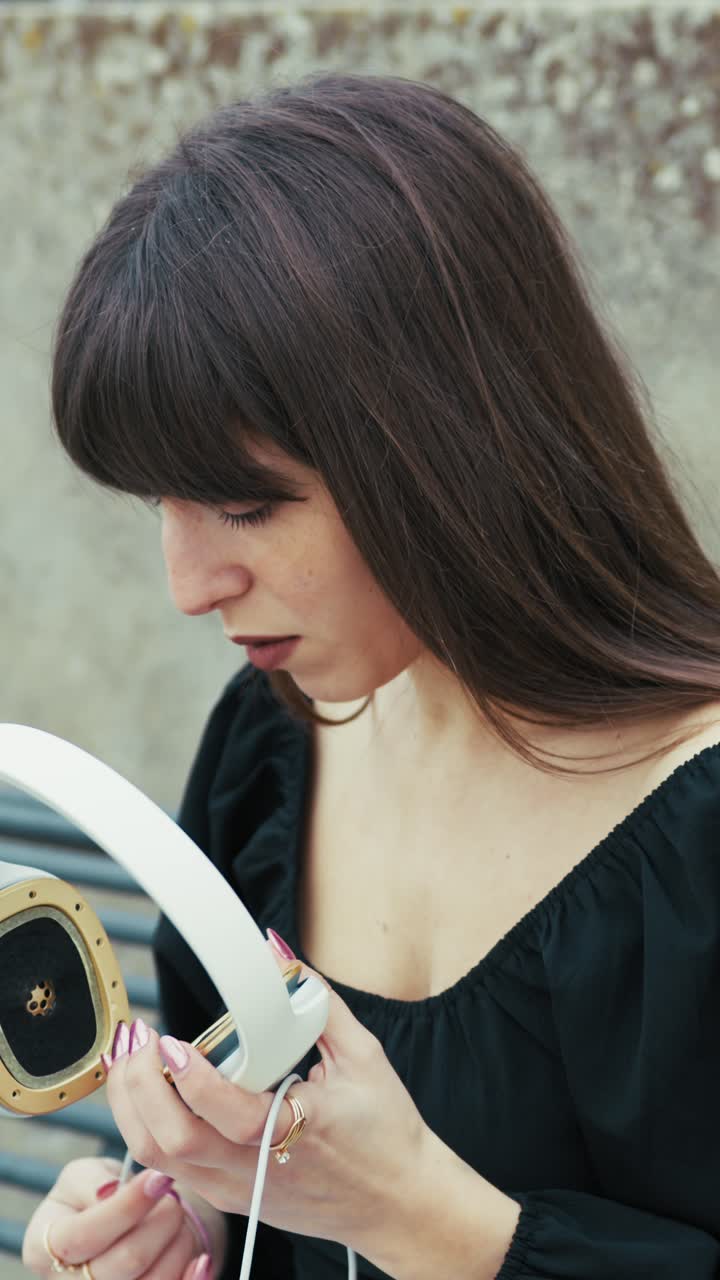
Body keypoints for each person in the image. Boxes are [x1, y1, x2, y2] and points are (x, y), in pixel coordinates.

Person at [20, 70, 720, 1280]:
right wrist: (179, 1223)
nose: (188, 583)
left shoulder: (696, 844)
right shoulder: (272, 746)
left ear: (449, 441)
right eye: (162, 503)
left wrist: (411, 1211)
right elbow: (235, 1169)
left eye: (244, 503)